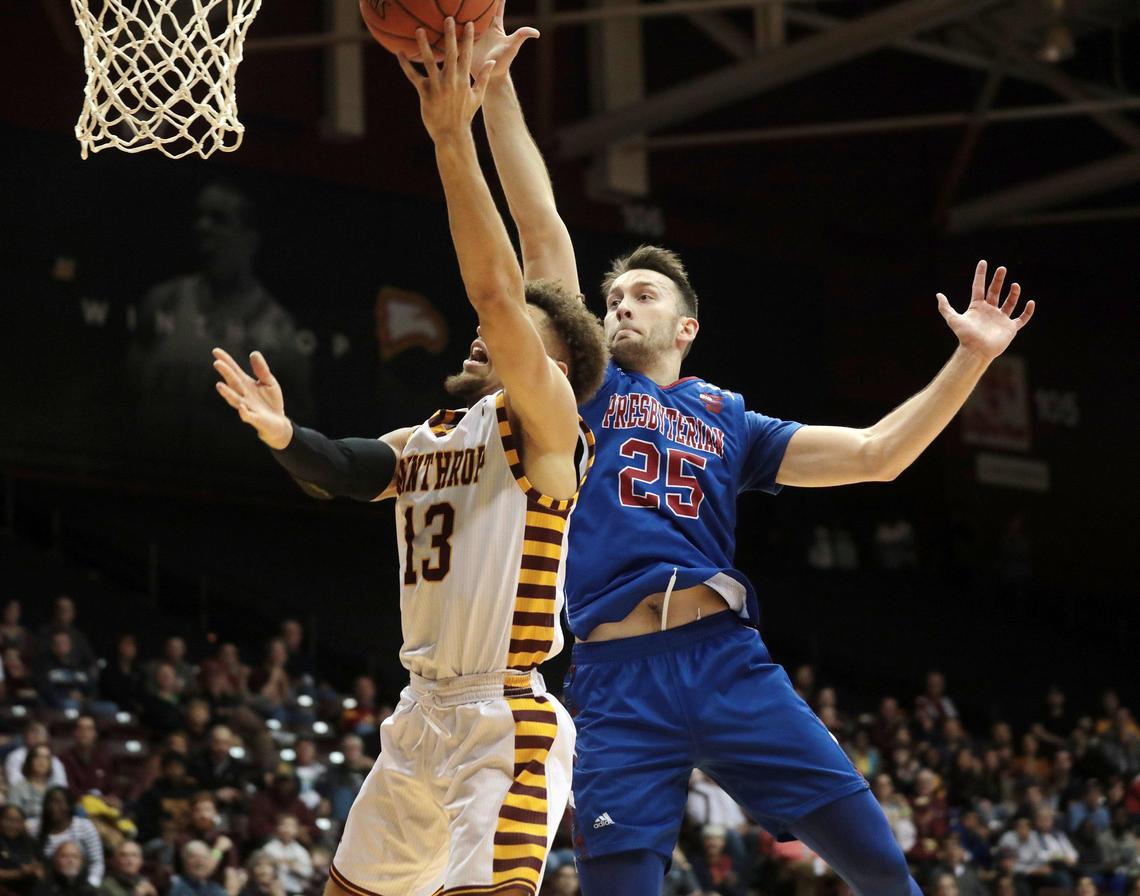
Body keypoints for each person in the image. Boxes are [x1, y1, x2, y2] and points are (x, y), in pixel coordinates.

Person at [210, 12, 605, 896]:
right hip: (418, 714)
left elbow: (507, 287)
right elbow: (349, 469)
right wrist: (282, 436)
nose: (481, 338)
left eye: (504, 343)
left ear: (550, 367)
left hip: (505, 721)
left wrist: (450, 135)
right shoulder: (427, 440)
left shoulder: (546, 427)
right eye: (482, 336)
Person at [555, 248, 1032, 896]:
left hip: (722, 660)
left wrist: (973, 356)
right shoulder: (586, 387)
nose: (621, 307)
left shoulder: (729, 419)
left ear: (687, 327)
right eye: (612, 301)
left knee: (881, 866)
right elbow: (539, 249)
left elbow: (878, 453)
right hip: (616, 680)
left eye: (643, 295)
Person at [28, 788, 104, 888]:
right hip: (48, 886)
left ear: (69, 805)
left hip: (81, 884)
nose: (53, 807)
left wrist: (90, 885)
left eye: (59, 802)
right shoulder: (34, 829)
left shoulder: (84, 826)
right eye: (50, 802)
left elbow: (97, 862)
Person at [259, 817, 310, 896]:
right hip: (271, 890)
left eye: (291, 826)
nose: (287, 830)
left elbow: (309, 872)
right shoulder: (269, 849)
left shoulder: (301, 851)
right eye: (284, 825)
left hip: (295, 890)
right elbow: (262, 869)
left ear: (296, 830)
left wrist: (297, 869)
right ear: (277, 828)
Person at [0, 805, 43, 896]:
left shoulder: (30, 841)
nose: (12, 825)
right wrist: (19, 873)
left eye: (17, 821)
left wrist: (37, 869)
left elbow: (40, 862)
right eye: (8, 820)